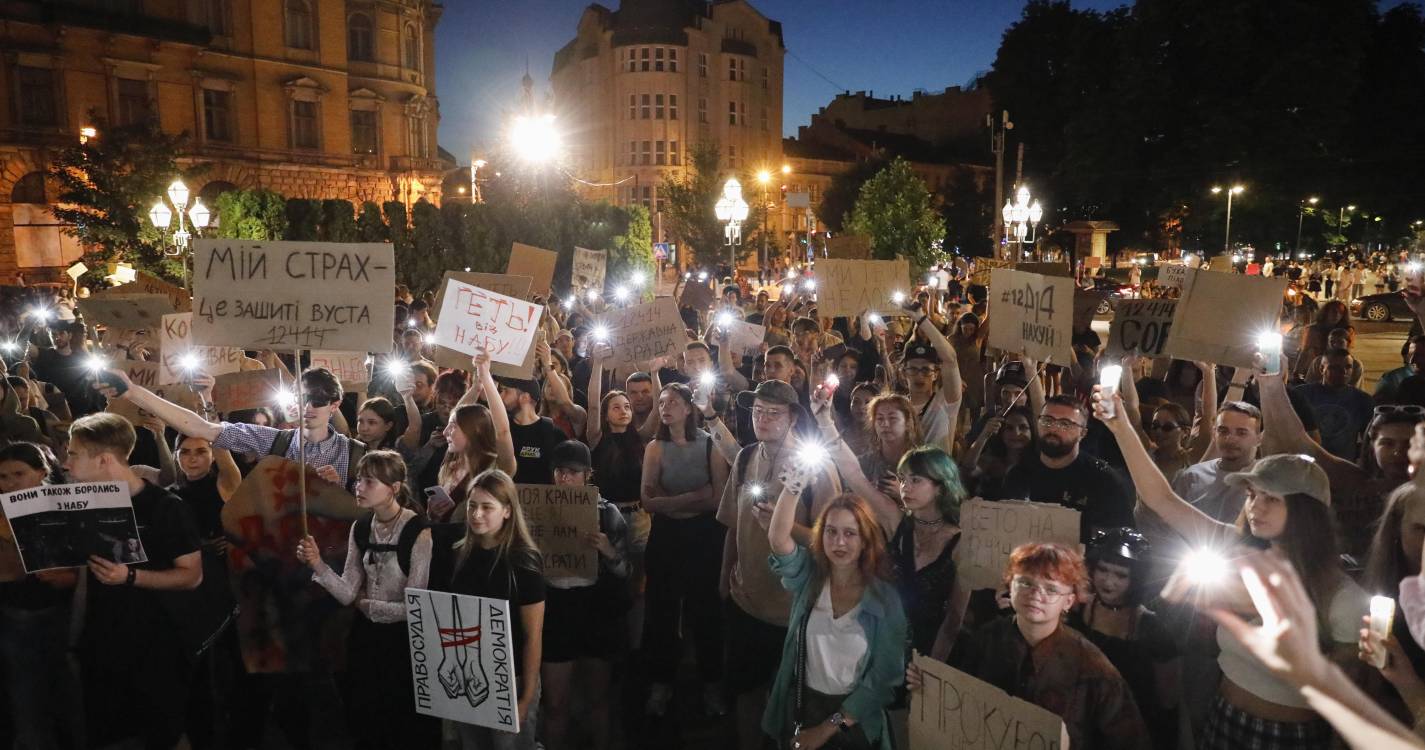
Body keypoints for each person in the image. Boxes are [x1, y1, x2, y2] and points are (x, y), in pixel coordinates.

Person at [1095, 387, 1371, 750]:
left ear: (1307, 510)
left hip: (1288, 739)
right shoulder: (1236, 548)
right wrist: (1121, 428)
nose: (1256, 506)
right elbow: (1161, 499)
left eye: (1271, 498)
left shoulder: (1343, 599)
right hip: (1221, 719)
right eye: (1253, 495)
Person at [908, 543, 1151, 749]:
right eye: (1025, 583)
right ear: (1009, 587)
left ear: (1069, 600)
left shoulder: (1092, 667)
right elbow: (958, 700)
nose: (1036, 595)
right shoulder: (985, 639)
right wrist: (929, 686)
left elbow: (1131, 741)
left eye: (1051, 589)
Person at [64, 412, 204, 749]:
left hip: (156, 646)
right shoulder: (77, 504)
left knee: (163, 733)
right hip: (99, 642)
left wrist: (130, 576)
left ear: (104, 460)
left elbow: (192, 576)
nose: (64, 462)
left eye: (72, 453)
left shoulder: (165, 507)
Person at [714, 379, 841, 750]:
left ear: (792, 419)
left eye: (773, 413)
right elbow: (733, 526)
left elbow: (831, 540)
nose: (763, 419)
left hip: (793, 611)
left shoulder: (815, 467)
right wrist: (725, 575)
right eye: (757, 411)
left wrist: (782, 527)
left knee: (792, 706)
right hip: (746, 602)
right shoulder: (745, 457)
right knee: (745, 693)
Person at [295, 450, 436, 749]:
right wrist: (318, 564)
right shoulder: (360, 528)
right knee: (366, 716)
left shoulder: (418, 532)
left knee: (402, 720)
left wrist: (368, 605)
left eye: (369, 482)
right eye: (359, 480)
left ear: (395, 488)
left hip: (405, 644)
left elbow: (416, 608)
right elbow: (348, 592)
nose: (359, 487)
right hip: (367, 639)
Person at [763, 476, 907, 750]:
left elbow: (883, 681)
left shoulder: (886, 601)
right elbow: (778, 539)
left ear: (866, 540)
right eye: (831, 531)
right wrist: (793, 487)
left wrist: (827, 729)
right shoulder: (811, 580)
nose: (839, 542)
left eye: (850, 533)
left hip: (854, 721)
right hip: (804, 706)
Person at [99, 364, 364, 488]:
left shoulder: (356, 454)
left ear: (335, 405)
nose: (308, 407)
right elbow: (203, 428)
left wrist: (340, 492)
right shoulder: (274, 441)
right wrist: (134, 393)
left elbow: (377, 514)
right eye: (303, 398)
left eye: (317, 400)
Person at [428, 469, 545, 750]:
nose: (477, 514)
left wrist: (525, 699)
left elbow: (533, 637)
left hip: (513, 677)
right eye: (472, 506)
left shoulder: (524, 563)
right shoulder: (457, 554)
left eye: (487, 507)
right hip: (469, 675)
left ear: (507, 511)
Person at [640, 382, 730, 716]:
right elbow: (648, 501)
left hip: (703, 538)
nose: (665, 407)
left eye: (673, 401)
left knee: (706, 613)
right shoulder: (655, 448)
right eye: (661, 401)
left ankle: (711, 685)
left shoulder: (710, 445)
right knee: (661, 612)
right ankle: (660, 684)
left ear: (689, 409)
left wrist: (669, 501)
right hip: (666, 537)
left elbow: (718, 499)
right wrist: (693, 497)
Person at [539, 441, 630, 750]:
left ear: (588, 475)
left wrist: (608, 551)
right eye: (560, 472)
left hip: (596, 612)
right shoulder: (538, 509)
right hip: (555, 611)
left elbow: (625, 572)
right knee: (554, 703)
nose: (565, 479)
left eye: (572, 473)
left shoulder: (608, 512)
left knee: (598, 699)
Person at [1068, 528, 1180, 749]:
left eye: (1121, 575)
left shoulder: (1152, 629)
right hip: (1082, 723)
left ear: (1135, 579)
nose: (1108, 581)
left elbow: (1168, 700)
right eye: (1103, 570)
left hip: (1128, 731)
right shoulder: (1076, 610)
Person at [0, 442, 80, 750]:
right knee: (26, 696)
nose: (10, 483)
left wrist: (70, 577)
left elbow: (87, 563)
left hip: (65, 617)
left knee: (66, 694)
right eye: (3, 477)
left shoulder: (67, 508)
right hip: (16, 616)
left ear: (42, 473)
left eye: (18, 474)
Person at [999, 395, 1135, 541]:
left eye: (1065, 424)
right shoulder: (1019, 475)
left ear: (1082, 433)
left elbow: (1123, 537)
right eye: (1047, 421)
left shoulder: (1104, 481)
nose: (1053, 429)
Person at [1293, 349, 1375, 461]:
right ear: (1322, 369)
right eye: (1334, 367)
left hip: (1343, 468)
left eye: (1348, 367)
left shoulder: (1362, 400)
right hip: (1306, 465)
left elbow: (1369, 441)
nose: (1343, 372)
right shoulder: (1301, 395)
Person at [498, 375, 565, 484]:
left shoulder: (553, 433)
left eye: (506, 391)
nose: (500, 396)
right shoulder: (500, 431)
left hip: (543, 500)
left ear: (524, 398)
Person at [961, 405, 1036, 499]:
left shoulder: (1038, 464)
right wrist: (984, 434)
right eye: (1009, 428)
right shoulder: (989, 461)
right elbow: (967, 471)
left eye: (1023, 427)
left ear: (1032, 431)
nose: (1016, 433)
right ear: (1001, 432)